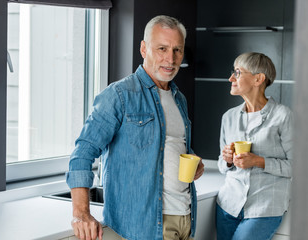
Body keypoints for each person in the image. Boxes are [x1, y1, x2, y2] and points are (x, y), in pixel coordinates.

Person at [66, 15, 204, 240]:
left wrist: (194, 161)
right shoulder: (119, 95)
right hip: (145, 226)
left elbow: (169, 149)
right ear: (143, 49)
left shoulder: (179, 98)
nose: (171, 59)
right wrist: (81, 213)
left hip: (186, 217)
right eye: (162, 48)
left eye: (177, 50)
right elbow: (82, 152)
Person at [216, 52, 293, 240]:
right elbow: (221, 165)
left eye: (238, 72)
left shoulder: (283, 116)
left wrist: (258, 161)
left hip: (265, 207)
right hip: (228, 205)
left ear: (258, 79)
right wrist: (227, 160)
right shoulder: (229, 117)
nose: (231, 78)